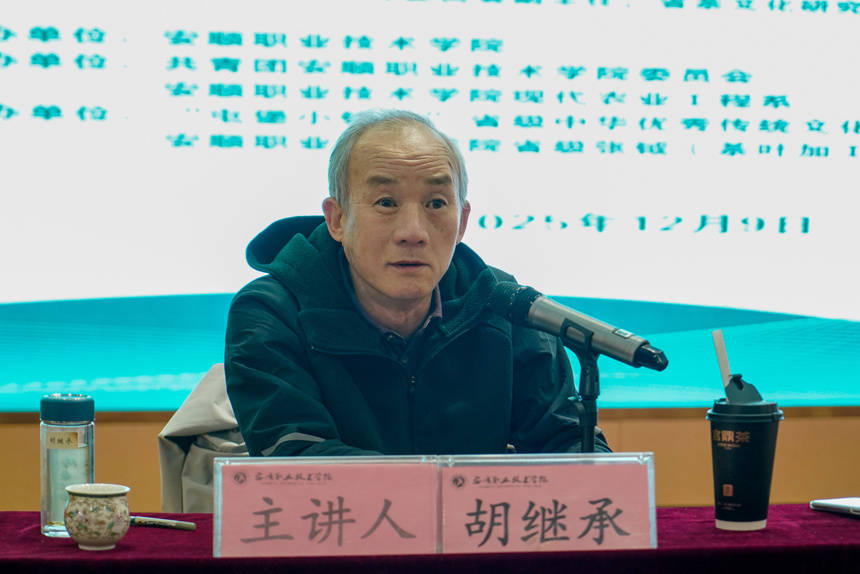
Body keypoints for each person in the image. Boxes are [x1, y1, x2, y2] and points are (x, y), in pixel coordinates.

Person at [225, 109, 609, 457]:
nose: (413, 232)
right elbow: (296, 462)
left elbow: (567, 441)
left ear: (462, 221)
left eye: (436, 204)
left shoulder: (502, 307)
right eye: (386, 203)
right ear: (337, 220)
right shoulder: (273, 313)